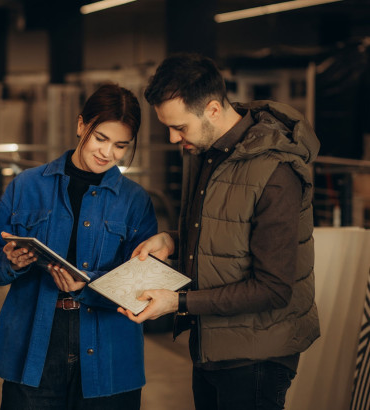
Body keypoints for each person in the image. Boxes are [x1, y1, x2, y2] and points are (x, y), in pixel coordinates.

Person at [118, 53, 321, 410]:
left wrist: (177, 302)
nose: (171, 138)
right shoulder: (208, 152)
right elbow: (226, 236)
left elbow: (273, 288)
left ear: (212, 110)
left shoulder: (276, 172)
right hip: (212, 346)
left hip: (257, 358)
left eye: (180, 127)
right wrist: (173, 241)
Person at [0, 83, 158, 410]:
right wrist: (12, 263)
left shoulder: (135, 202)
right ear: (80, 126)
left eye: (120, 145)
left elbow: (143, 286)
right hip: (35, 346)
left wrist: (86, 285)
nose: (107, 153)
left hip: (110, 352)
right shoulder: (26, 187)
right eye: (100, 138)